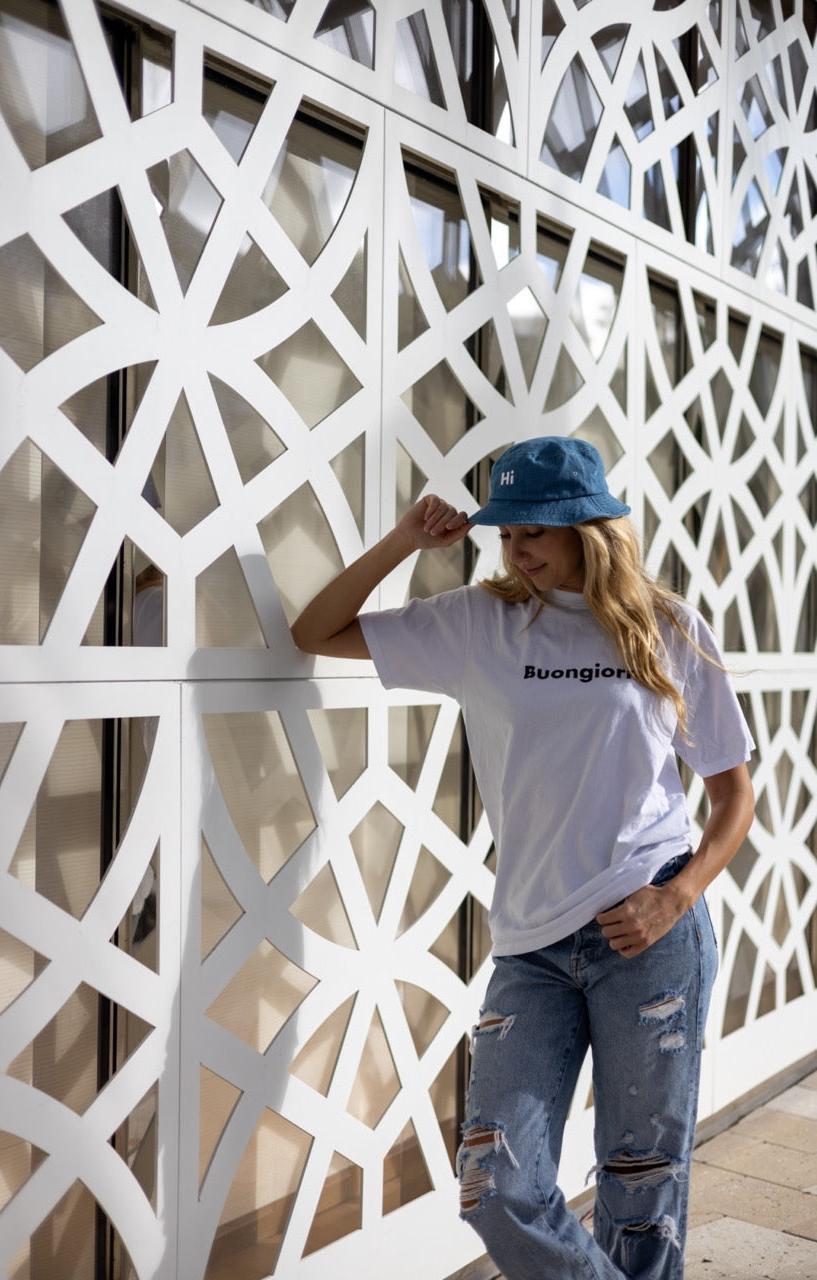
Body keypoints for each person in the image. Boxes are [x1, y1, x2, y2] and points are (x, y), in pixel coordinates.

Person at [291, 435, 755, 1280]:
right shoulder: (480, 622)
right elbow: (315, 631)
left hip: (645, 931)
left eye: (532, 533)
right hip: (530, 948)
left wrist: (675, 898)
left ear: (587, 527)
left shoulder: (667, 627)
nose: (515, 551)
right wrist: (403, 542)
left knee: (639, 1189)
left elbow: (733, 797)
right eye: (505, 534)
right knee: (495, 1187)